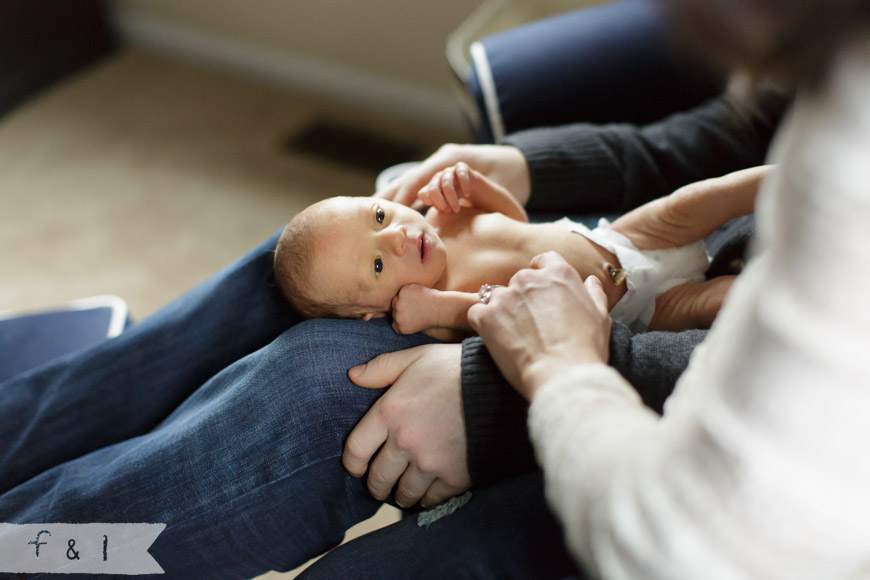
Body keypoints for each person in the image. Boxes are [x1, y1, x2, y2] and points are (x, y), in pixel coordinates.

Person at [0, 5, 790, 580]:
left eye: (388, 221)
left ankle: (32, 553)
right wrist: (525, 170)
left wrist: (503, 387)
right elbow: (728, 135)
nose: (398, 230)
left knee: (324, 383)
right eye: (383, 251)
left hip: (703, 367)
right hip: (626, 248)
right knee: (297, 254)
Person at [461, 0, 870, 578]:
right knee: (297, 273)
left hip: (642, 371)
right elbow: (757, 120)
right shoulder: (834, 75)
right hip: (643, 270)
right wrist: (530, 166)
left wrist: (554, 370)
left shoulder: (851, 163)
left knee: (321, 396)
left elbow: (678, 545)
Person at [275, 164, 770, 338]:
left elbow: (516, 221)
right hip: (640, 310)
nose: (397, 236)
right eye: (378, 263)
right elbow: (503, 313)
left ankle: (795, 178)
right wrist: (438, 307)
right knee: (726, 299)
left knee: (697, 199)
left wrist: (478, 186)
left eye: (379, 217)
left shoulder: (444, 214)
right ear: (372, 312)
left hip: (619, 239)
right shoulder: (437, 310)